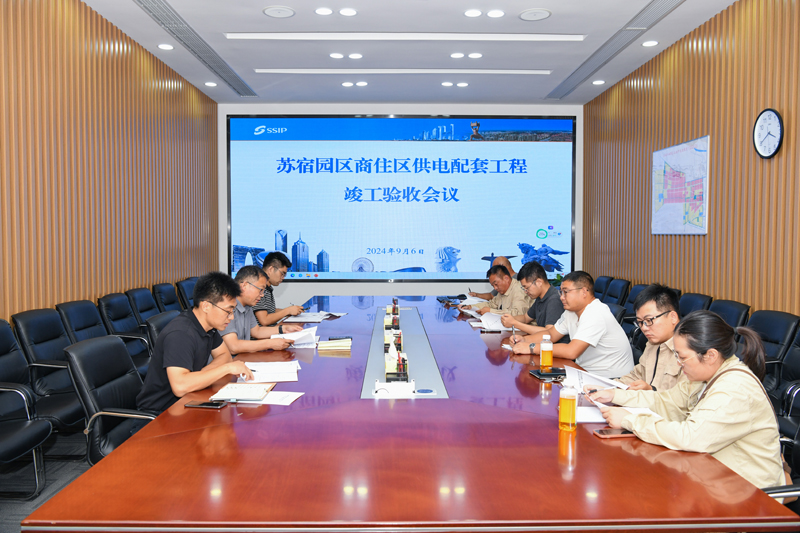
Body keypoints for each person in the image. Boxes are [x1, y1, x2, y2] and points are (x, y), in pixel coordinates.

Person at [588, 310, 785, 490]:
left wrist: (630, 420)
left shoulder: (734, 389)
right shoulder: (707, 375)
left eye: (682, 357)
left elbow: (690, 437)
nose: (678, 363)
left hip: (748, 492)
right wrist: (615, 395)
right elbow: (666, 401)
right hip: (712, 476)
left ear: (710, 355)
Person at [136, 272, 255, 413]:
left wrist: (200, 376)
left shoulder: (208, 326)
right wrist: (227, 369)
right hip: (161, 413)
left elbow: (225, 356)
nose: (232, 317)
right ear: (206, 306)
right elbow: (180, 387)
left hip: (189, 400)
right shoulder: (181, 334)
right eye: (228, 311)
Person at [511, 271, 633, 378]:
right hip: (584, 372)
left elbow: (571, 351)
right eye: (561, 292)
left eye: (566, 292)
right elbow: (551, 334)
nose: (561, 297)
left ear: (584, 292)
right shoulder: (571, 311)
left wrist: (531, 347)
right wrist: (524, 340)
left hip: (611, 379)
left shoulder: (596, 313)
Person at [221, 265, 304, 354]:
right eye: (260, 290)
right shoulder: (226, 307)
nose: (262, 295)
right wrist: (270, 343)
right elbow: (233, 347)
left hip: (243, 357)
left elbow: (257, 331)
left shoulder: (247, 306)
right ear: (244, 285)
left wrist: (284, 329)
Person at [616, 284, 683, 391]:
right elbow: (636, 376)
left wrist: (651, 391)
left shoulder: (690, 350)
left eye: (649, 320)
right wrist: (609, 387)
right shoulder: (652, 343)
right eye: (640, 322)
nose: (644, 328)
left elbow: (685, 398)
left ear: (673, 317)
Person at [500, 261, 565, 335]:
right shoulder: (540, 298)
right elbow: (526, 318)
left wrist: (515, 324)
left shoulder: (554, 300)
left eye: (527, 287)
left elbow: (549, 332)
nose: (525, 291)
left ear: (539, 282)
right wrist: (508, 319)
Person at [459, 264, 532, 316]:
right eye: (493, 286)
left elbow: (519, 314)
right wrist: (470, 307)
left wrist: (491, 311)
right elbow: (491, 304)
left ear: (506, 278)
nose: (495, 288)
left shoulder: (519, 289)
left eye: (496, 284)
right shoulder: (503, 291)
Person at [254, 252, 304, 326]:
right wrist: (287, 311)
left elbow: (269, 311)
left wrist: (291, 310)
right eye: (282, 273)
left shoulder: (268, 288)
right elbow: (264, 320)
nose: (283, 278)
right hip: (263, 332)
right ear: (270, 269)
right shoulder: (258, 288)